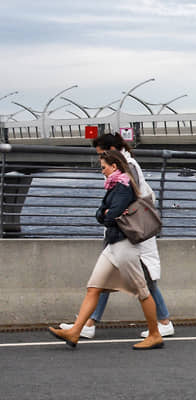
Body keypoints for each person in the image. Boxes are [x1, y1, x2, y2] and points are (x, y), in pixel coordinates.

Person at [59, 133, 175, 340]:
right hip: (123, 233)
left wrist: (108, 215)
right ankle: (88, 323)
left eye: (102, 154)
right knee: (102, 281)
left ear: (112, 150)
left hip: (130, 233)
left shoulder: (126, 167)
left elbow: (123, 201)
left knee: (144, 282)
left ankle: (162, 324)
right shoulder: (123, 166)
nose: (100, 161)